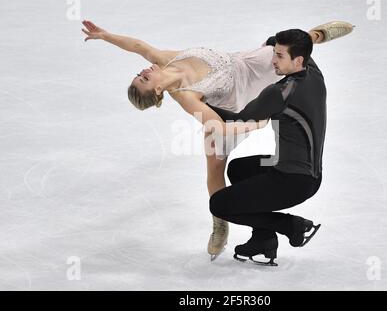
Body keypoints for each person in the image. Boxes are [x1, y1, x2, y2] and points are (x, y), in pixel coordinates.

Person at [81, 20, 353, 261]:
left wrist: (105, 36)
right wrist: (255, 123)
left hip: (244, 64)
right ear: (158, 89)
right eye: (144, 78)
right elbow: (221, 125)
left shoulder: (163, 60)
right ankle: (220, 224)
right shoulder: (186, 96)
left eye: (139, 75)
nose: (143, 71)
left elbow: (137, 45)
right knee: (215, 167)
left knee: (283, 46)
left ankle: (317, 35)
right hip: (232, 103)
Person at [205, 28, 328, 266]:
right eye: (274, 53)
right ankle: (263, 239)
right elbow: (293, 44)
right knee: (240, 169)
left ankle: (291, 226)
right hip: (304, 171)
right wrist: (274, 42)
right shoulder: (314, 74)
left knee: (219, 204)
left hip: (292, 180)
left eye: (280, 56)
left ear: (298, 60)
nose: (273, 60)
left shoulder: (280, 92)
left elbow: (236, 120)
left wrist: (202, 101)